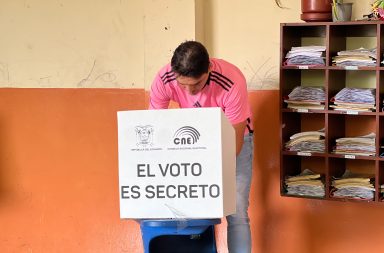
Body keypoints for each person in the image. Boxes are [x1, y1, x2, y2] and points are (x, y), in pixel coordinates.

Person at [149, 40, 254, 253]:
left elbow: (234, 140)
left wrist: (210, 169)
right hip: (191, 141)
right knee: (189, 208)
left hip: (232, 138)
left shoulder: (232, 81)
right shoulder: (163, 78)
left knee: (237, 212)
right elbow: (154, 126)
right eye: (182, 85)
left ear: (209, 69)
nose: (189, 92)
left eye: (196, 84)